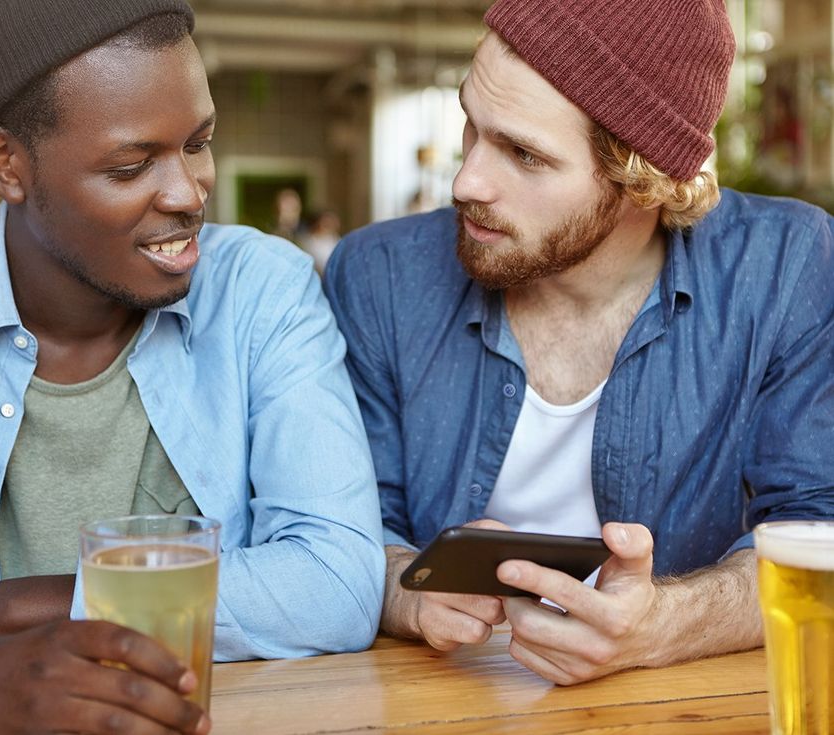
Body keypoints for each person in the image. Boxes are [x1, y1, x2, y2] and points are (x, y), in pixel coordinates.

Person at [0, 0, 384, 730]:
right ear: (6, 163)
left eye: (199, 142)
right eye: (132, 165)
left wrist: (2, 610)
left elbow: (337, 583)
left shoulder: (260, 290)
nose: (189, 192)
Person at [325, 0, 834, 686]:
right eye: (471, 126)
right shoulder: (380, 277)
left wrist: (666, 624)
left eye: (524, 153)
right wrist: (402, 589)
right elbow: (342, 526)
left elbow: (817, 529)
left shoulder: (784, 268)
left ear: (641, 177)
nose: (465, 181)